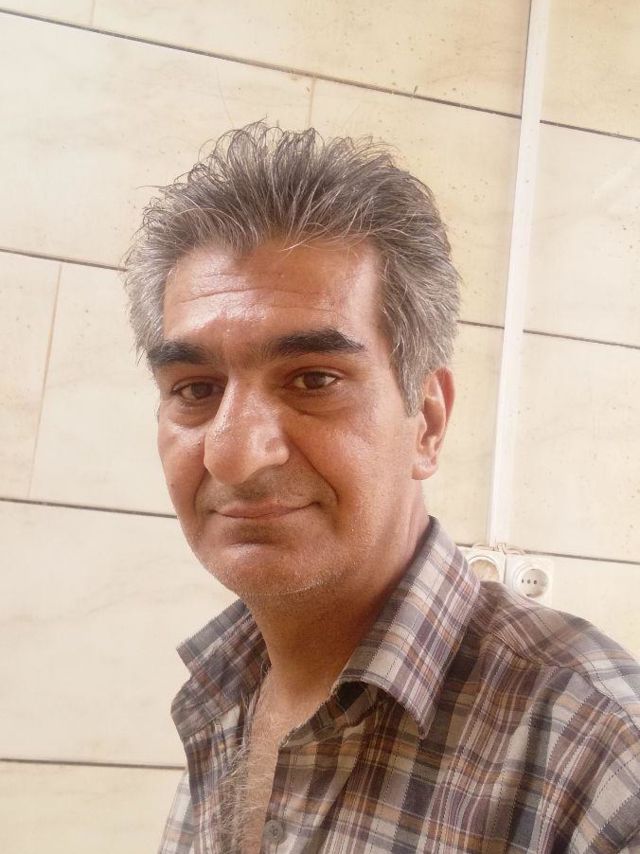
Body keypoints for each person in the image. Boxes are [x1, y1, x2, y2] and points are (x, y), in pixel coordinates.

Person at [124, 123, 640, 853]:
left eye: (313, 380)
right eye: (195, 388)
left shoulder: (599, 755)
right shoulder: (224, 693)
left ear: (427, 423)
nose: (233, 454)